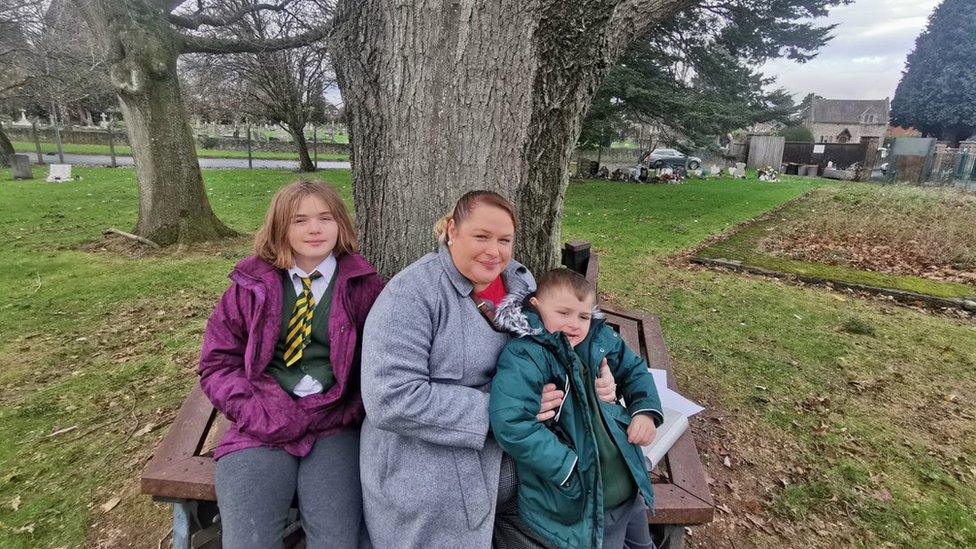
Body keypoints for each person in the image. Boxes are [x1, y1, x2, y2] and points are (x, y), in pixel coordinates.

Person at [359, 191, 618, 548]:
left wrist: (598, 376)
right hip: (437, 485)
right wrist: (506, 412)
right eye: (481, 237)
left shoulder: (521, 284)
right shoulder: (410, 295)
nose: (494, 251)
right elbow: (390, 397)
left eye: (504, 240)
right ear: (452, 230)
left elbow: (565, 343)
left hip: (527, 474)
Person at [199, 179, 383, 549]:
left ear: (341, 225)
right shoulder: (251, 286)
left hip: (334, 427)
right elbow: (217, 363)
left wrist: (347, 411)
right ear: (280, 228)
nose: (314, 229)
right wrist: (255, 410)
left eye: (324, 218)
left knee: (337, 540)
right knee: (249, 539)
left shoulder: (365, 288)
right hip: (261, 422)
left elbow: (381, 368)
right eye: (299, 220)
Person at [490, 268, 664, 549]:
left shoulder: (597, 339)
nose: (575, 324)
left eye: (583, 316)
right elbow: (512, 422)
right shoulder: (526, 355)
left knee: (642, 544)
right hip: (586, 501)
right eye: (564, 313)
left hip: (629, 485)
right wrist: (567, 466)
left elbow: (633, 369)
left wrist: (644, 411)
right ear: (536, 306)